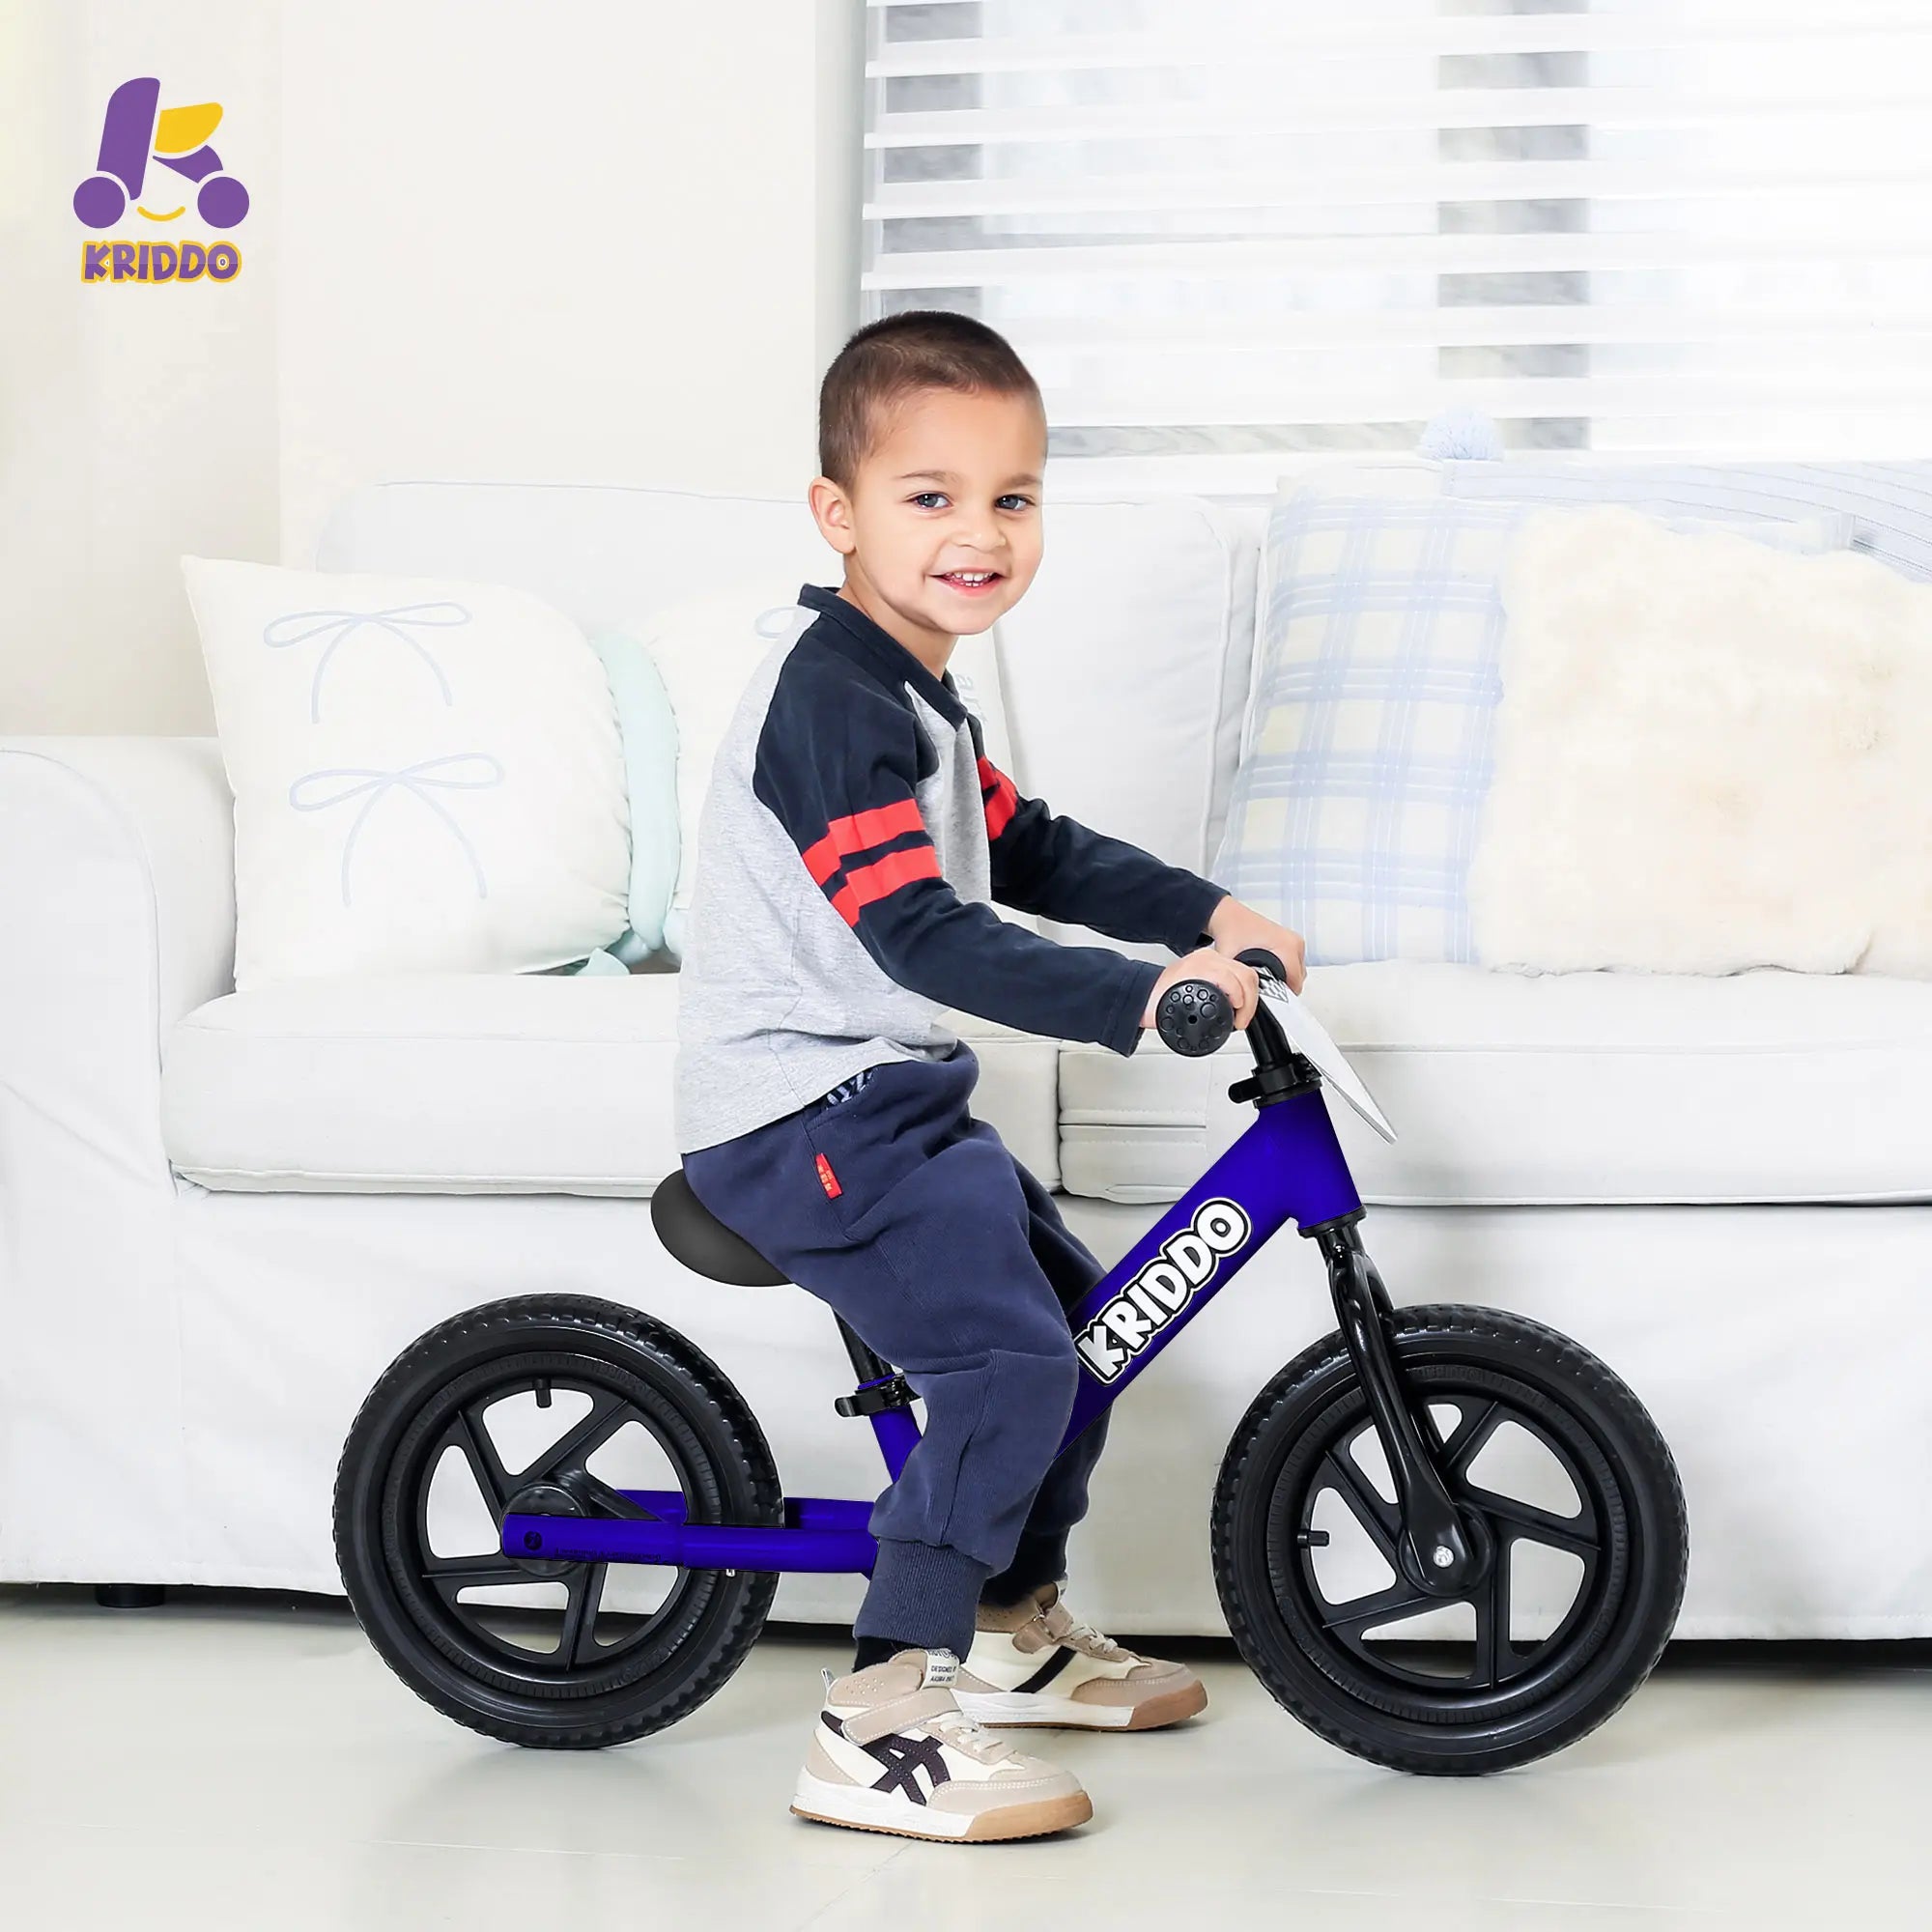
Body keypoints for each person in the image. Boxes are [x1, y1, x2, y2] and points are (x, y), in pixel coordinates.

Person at [673, 310, 1307, 1844]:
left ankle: (1015, 1630)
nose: (979, 532)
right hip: (798, 1117)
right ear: (839, 515)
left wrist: (1205, 916)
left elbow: (1028, 847)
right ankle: (879, 1711)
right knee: (1008, 1366)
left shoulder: (914, 693)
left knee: (1075, 1337)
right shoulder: (828, 701)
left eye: (1012, 497)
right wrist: (1148, 999)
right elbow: (923, 935)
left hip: (883, 1106)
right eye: (930, 496)